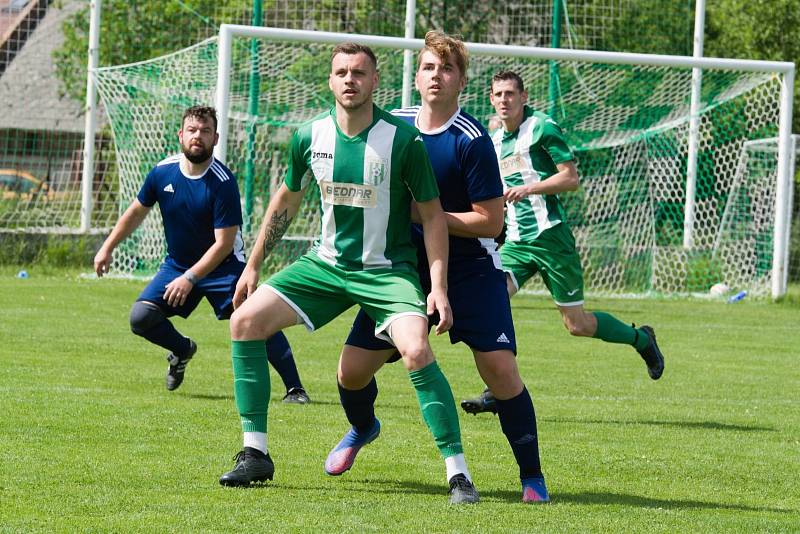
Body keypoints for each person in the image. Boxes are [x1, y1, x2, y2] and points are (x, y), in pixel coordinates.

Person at [218, 42, 479, 504]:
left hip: (387, 271)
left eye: (359, 72)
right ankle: (254, 453)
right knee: (244, 322)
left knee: (416, 350)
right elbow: (285, 202)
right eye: (341, 72)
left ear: (375, 81)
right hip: (325, 266)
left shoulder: (403, 140)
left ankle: (458, 475)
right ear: (331, 80)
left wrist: (437, 288)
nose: (350, 80)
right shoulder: (309, 136)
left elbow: (434, 216)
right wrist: (253, 264)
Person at [324, 31, 550, 504]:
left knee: (500, 373)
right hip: (403, 271)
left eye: (446, 69)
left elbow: (491, 222)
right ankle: (363, 427)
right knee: (350, 372)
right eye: (429, 67)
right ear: (416, 76)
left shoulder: (471, 140)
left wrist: (425, 214)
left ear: (460, 81)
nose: (436, 76)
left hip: (470, 270)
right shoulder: (391, 126)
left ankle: (531, 476)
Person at [460, 71, 665, 415]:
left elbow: (570, 178)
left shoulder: (542, 127)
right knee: (489, 302)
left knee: (577, 325)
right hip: (517, 241)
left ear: (524, 97)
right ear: (491, 99)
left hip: (552, 238)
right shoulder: (493, 140)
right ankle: (499, 386)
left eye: (511, 93)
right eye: (499, 94)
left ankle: (642, 339)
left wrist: (530, 188)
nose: (505, 100)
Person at [94, 106, 309, 403]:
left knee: (254, 317)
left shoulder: (222, 182)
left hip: (224, 267)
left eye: (205, 131)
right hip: (177, 265)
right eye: (192, 130)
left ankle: (295, 389)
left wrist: (190, 278)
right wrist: (107, 247)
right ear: (181, 135)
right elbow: (136, 211)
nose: (198, 136)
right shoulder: (162, 172)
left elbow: (224, 243)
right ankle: (182, 350)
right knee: (141, 317)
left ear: (215, 138)